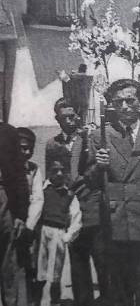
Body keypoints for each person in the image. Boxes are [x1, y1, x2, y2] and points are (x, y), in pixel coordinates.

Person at [85, 79, 140, 306]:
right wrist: (97, 165)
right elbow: (88, 184)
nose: (124, 106)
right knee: (118, 291)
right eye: (118, 102)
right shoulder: (100, 137)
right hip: (112, 224)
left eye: (130, 100)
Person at [45, 97, 110, 306]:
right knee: (78, 265)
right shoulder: (52, 144)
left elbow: (100, 172)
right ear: (57, 119)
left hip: (93, 210)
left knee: (102, 262)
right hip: (70, 213)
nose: (70, 121)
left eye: (73, 116)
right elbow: (52, 177)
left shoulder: (91, 139)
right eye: (65, 118)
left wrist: (81, 181)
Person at [26, 155, 82, 306]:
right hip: (42, 232)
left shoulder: (70, 195)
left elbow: (76, 218)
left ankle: (55, 302)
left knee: (55, 274)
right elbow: (34, 208)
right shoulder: (42, 190)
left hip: (58, 233)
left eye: (61, 171)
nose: (58, 174)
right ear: (49, 172)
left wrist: (68, 235)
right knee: (39, 271)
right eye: (54, 170)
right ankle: (35, 301)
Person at [0, 121, 29, 306]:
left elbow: (19, 174)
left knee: (8, 262)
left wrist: (20, 214)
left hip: (3, 198)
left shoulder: (7, 132)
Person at [16, 127, 42, 306]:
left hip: (28, 228)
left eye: (29, 149)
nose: (26, 152)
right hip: (10, 225)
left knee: (30, 268)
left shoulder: (33, 170)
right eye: (22, 148)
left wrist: (29, 225)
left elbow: (38, 198)